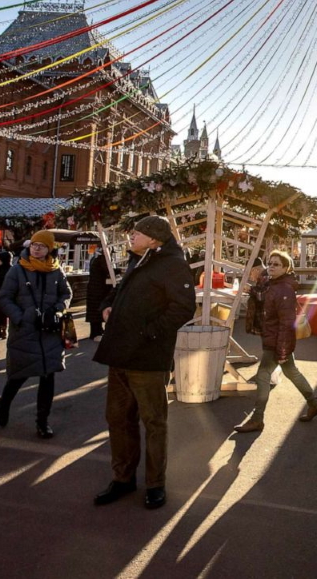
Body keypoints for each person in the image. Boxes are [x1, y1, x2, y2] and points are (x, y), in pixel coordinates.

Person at [93, 216, 195, 510]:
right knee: (118, 419)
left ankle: (155, 484)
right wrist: (107, 306)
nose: (130, 238)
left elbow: (183, 307)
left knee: (153, 422)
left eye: (136, 233)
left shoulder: (172, 264)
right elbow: (119, 292)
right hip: (120, 355)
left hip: (148, 358)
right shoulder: (137, 261)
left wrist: (149, 332)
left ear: (153, 238)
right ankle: (122, 478)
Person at [233, 251, 317, 433]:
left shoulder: (284, 290)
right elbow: (264, 297)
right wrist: (251, 290)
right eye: (270, 263)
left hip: (276, 340)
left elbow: (286, 324)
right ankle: (314, 403)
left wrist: (282, 351)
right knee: (292, 372)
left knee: (262, 376)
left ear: (286, 268)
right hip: (274, 337)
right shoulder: (273, 284)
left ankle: (257, 419)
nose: (271, 267)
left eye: (276, 264)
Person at [0, 230, 72, 439]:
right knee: (18, 375)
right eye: (34, 245)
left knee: (48, 377)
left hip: (49, 331)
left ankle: (42, 422)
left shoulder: (56, 270)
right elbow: (4, 298)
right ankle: (4, 405)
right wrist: (20, 317)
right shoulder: (17, 270)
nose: (37, 248)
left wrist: (57, 310)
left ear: (49, 249)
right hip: (25, 332)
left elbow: (66, 294)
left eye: (42, 246)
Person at [86, 249, 113, 341]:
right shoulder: (102, 259)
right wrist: (117, 271)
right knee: (97, 312)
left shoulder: (95, 258)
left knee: (94, 312)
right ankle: (96, 333)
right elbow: (107, 270)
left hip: (93, 289)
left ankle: (96, 332)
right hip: (99, 290)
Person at [245, 258, 268, 336]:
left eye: (250, 272)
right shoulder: (264, 276)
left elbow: (262, 296)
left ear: (256, 270)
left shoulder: (266, 277)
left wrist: (250, 289)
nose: (249, 276)